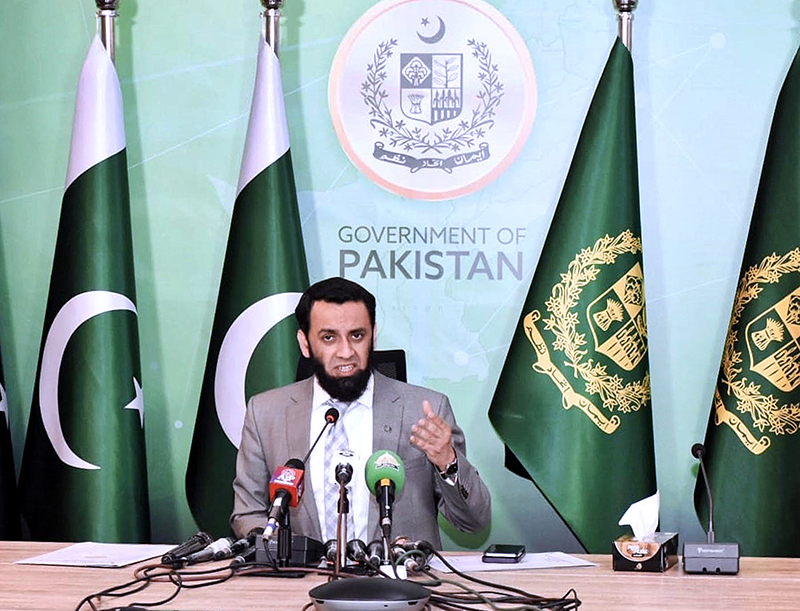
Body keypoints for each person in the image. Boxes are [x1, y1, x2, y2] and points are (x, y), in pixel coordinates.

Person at [230, 277, 490, 549]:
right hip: (304, 583)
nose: (346, 352)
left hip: (400, 584)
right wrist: (279, 553)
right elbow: (248, 513)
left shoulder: (424, 411)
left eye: (357, 335)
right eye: (329, 337)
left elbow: (474, 522)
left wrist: (447, 461)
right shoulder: (266, 413)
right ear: (305, 343)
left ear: (373, 336)